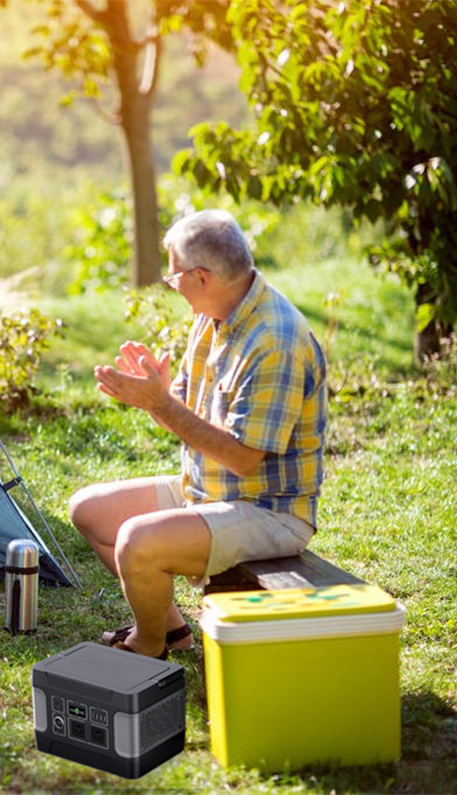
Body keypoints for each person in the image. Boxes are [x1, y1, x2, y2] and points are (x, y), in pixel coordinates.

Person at [69, 209, 327, 659]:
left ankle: (147, 647)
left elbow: (245, 458)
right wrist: (154, 395)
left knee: (136, 541)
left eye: (174, 279)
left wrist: (161, 403)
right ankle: (171, 631)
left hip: (268, 510)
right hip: (208, 490)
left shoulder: (275, 340)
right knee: (88, 510)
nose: (172, 287)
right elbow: (185, 416)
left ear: (202, 276)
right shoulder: (212, 314)